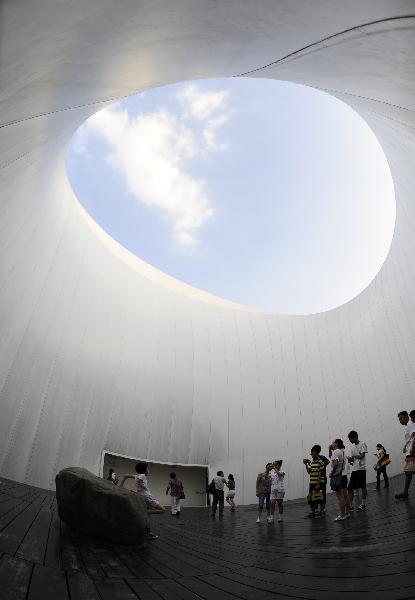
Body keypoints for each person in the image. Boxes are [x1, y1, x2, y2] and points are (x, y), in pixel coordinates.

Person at [120, 462, 165, 539]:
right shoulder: (142, 476)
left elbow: (126, 476)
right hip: (148, 498)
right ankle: (142, 512)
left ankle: (147, 533)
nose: (148, 470)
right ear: (144, 470)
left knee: (147, 517)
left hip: (144, 498)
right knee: (163, 510)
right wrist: (131, 490)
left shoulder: (138, 475)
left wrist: (121, 485)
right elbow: (136, 483)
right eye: (147, 468)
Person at [329, 439, 350, 521]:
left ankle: (342, 515)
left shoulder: (336, 451)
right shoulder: (342, 452)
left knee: (340, 496)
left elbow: (335, 463)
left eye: (333, 442)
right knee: (345, 495)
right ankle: (347, 513)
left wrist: (332, 473)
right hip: (342, 475)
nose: (331, 443)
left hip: (338, 476)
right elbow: (333, 459)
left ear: (336, 444)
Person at [395, 410, 415, 499]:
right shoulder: (408, 426)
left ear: (407, 417)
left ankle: (405, 493)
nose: (400, 421)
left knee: (408, 472)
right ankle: (405, 493)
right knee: (408, 473)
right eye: (399, 419)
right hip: (409, 452)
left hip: (412, 453)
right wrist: (405, 446)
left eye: (401, 418)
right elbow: (410, 439)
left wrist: (411, 451)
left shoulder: (410, 424)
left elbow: (414, 436)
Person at [347, 431, 368, 511]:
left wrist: (354, 456)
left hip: (361, 468)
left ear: (355, 437)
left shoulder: (362, 444)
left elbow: (362, 456)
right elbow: (353, 459)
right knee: (350, 488)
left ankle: (363, 504)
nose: (350, 441)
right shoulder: (353, 447)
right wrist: (350, 459)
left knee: (363, 486)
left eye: (350, 439)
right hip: (355, 469)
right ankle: (351, 506)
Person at [304, 446, 325, 517]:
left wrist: (318, 483)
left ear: (316, 453)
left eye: (312, 454)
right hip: (312, 483)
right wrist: (306, 464)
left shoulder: (320, 462)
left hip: (319, 483)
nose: (311, 455)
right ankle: (313, 512)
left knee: (320, 498)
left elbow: (320, 473)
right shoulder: (312, 462)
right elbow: (309, 471)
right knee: (310, 498)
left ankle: (321, 512)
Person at [314, 444, 330, 514]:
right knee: (318, 493)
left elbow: (327, 462)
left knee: (321, 493)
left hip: (322, 478)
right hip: (319, 478)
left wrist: (322, 467)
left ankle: (322, 509)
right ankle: (319, 509)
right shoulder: (316, 458)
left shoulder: (321, 458)